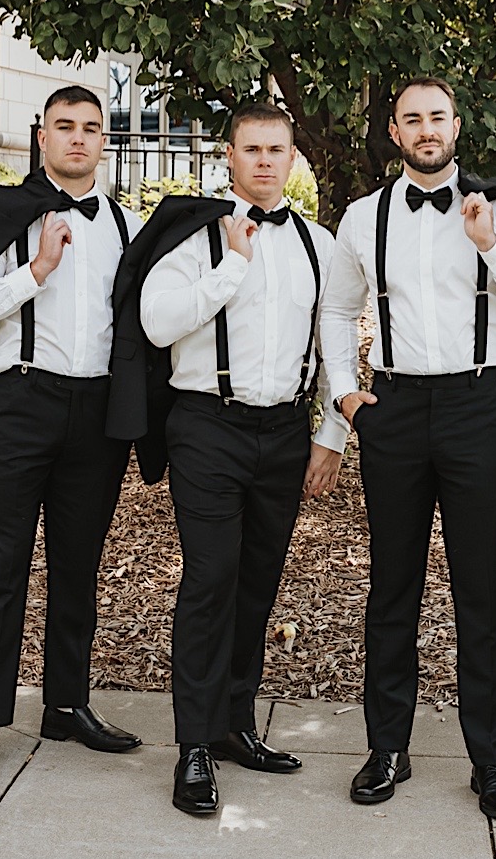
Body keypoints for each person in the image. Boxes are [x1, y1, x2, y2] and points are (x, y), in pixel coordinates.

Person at [318, 77, 496, 820]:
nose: (426, 129)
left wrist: (491, 246)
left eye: (437, 117)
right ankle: (386, 745)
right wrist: (344, 393)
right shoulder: (363, 218)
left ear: (457, 126)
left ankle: (490, 759)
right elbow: (336, 306)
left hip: (474, 409)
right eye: (411, 119)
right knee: (393, 587)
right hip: (392, 408)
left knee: (480, 591)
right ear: (393, 132)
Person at [137, 102, 346, 816]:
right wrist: (229, 269)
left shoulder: (319, 243)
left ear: (293, 159)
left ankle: (233, 722)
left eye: (276, 150)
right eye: (251, 149)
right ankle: (192, 742)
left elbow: (331, 346)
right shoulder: (194, 235)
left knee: (257, 580)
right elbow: (156, 321)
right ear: (229, 155)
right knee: (210, 576)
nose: (263, 161)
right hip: (207, 424)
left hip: (285, 431)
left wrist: (331, 435)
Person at [0, 86, 142, 786]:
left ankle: (67, 703)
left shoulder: (125, 224)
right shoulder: (4, 211)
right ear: (41, 136)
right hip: (20, 401)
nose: (79, 139)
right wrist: (35, 271)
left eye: (92, 128)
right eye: (65, 126)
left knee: (78, 567)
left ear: (105, 141)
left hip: (96, 414)